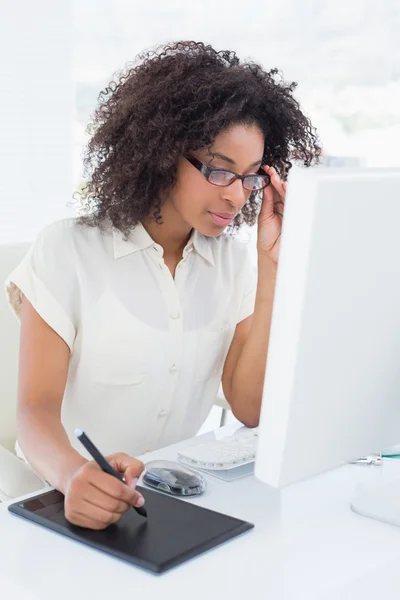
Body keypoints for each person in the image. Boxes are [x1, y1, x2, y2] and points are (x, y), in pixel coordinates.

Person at [5, 41, 321, 529]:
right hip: (62, 494)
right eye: (219, 170)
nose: (236, 195)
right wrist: (73, 476)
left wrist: (272, 265)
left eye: (250, 177)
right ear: (163, 153)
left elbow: (250, 406)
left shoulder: (234, 262)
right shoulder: (68, 250)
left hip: (169, 499)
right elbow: (33, 411)